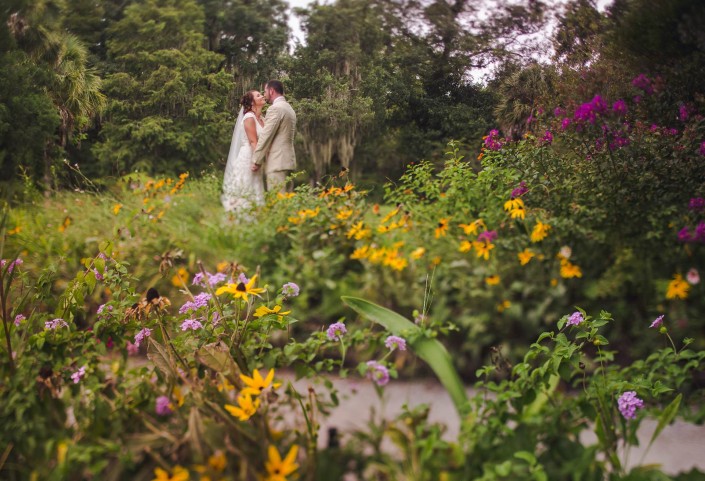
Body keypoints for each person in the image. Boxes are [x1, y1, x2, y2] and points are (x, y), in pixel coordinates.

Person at [221, 90, 266, 212]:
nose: (262, 96)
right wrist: (257, 160)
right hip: (248, 156)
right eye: (258, 95)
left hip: (256, 155)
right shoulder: (249, 117)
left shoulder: (262, 118)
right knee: (246, 186)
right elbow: (253, 142)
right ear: (252, 102)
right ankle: (240, 214)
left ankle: (255, 214)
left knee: (256, 186)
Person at [251, 80, 297, 193]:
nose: (264, 94)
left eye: (265, 91)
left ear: (271, 91)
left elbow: (266, 136)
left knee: (278, 202)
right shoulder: (289, 108)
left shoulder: (275, 108)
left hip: (277, 162)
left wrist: (256, 160)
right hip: (288, 162)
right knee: (287, 203)